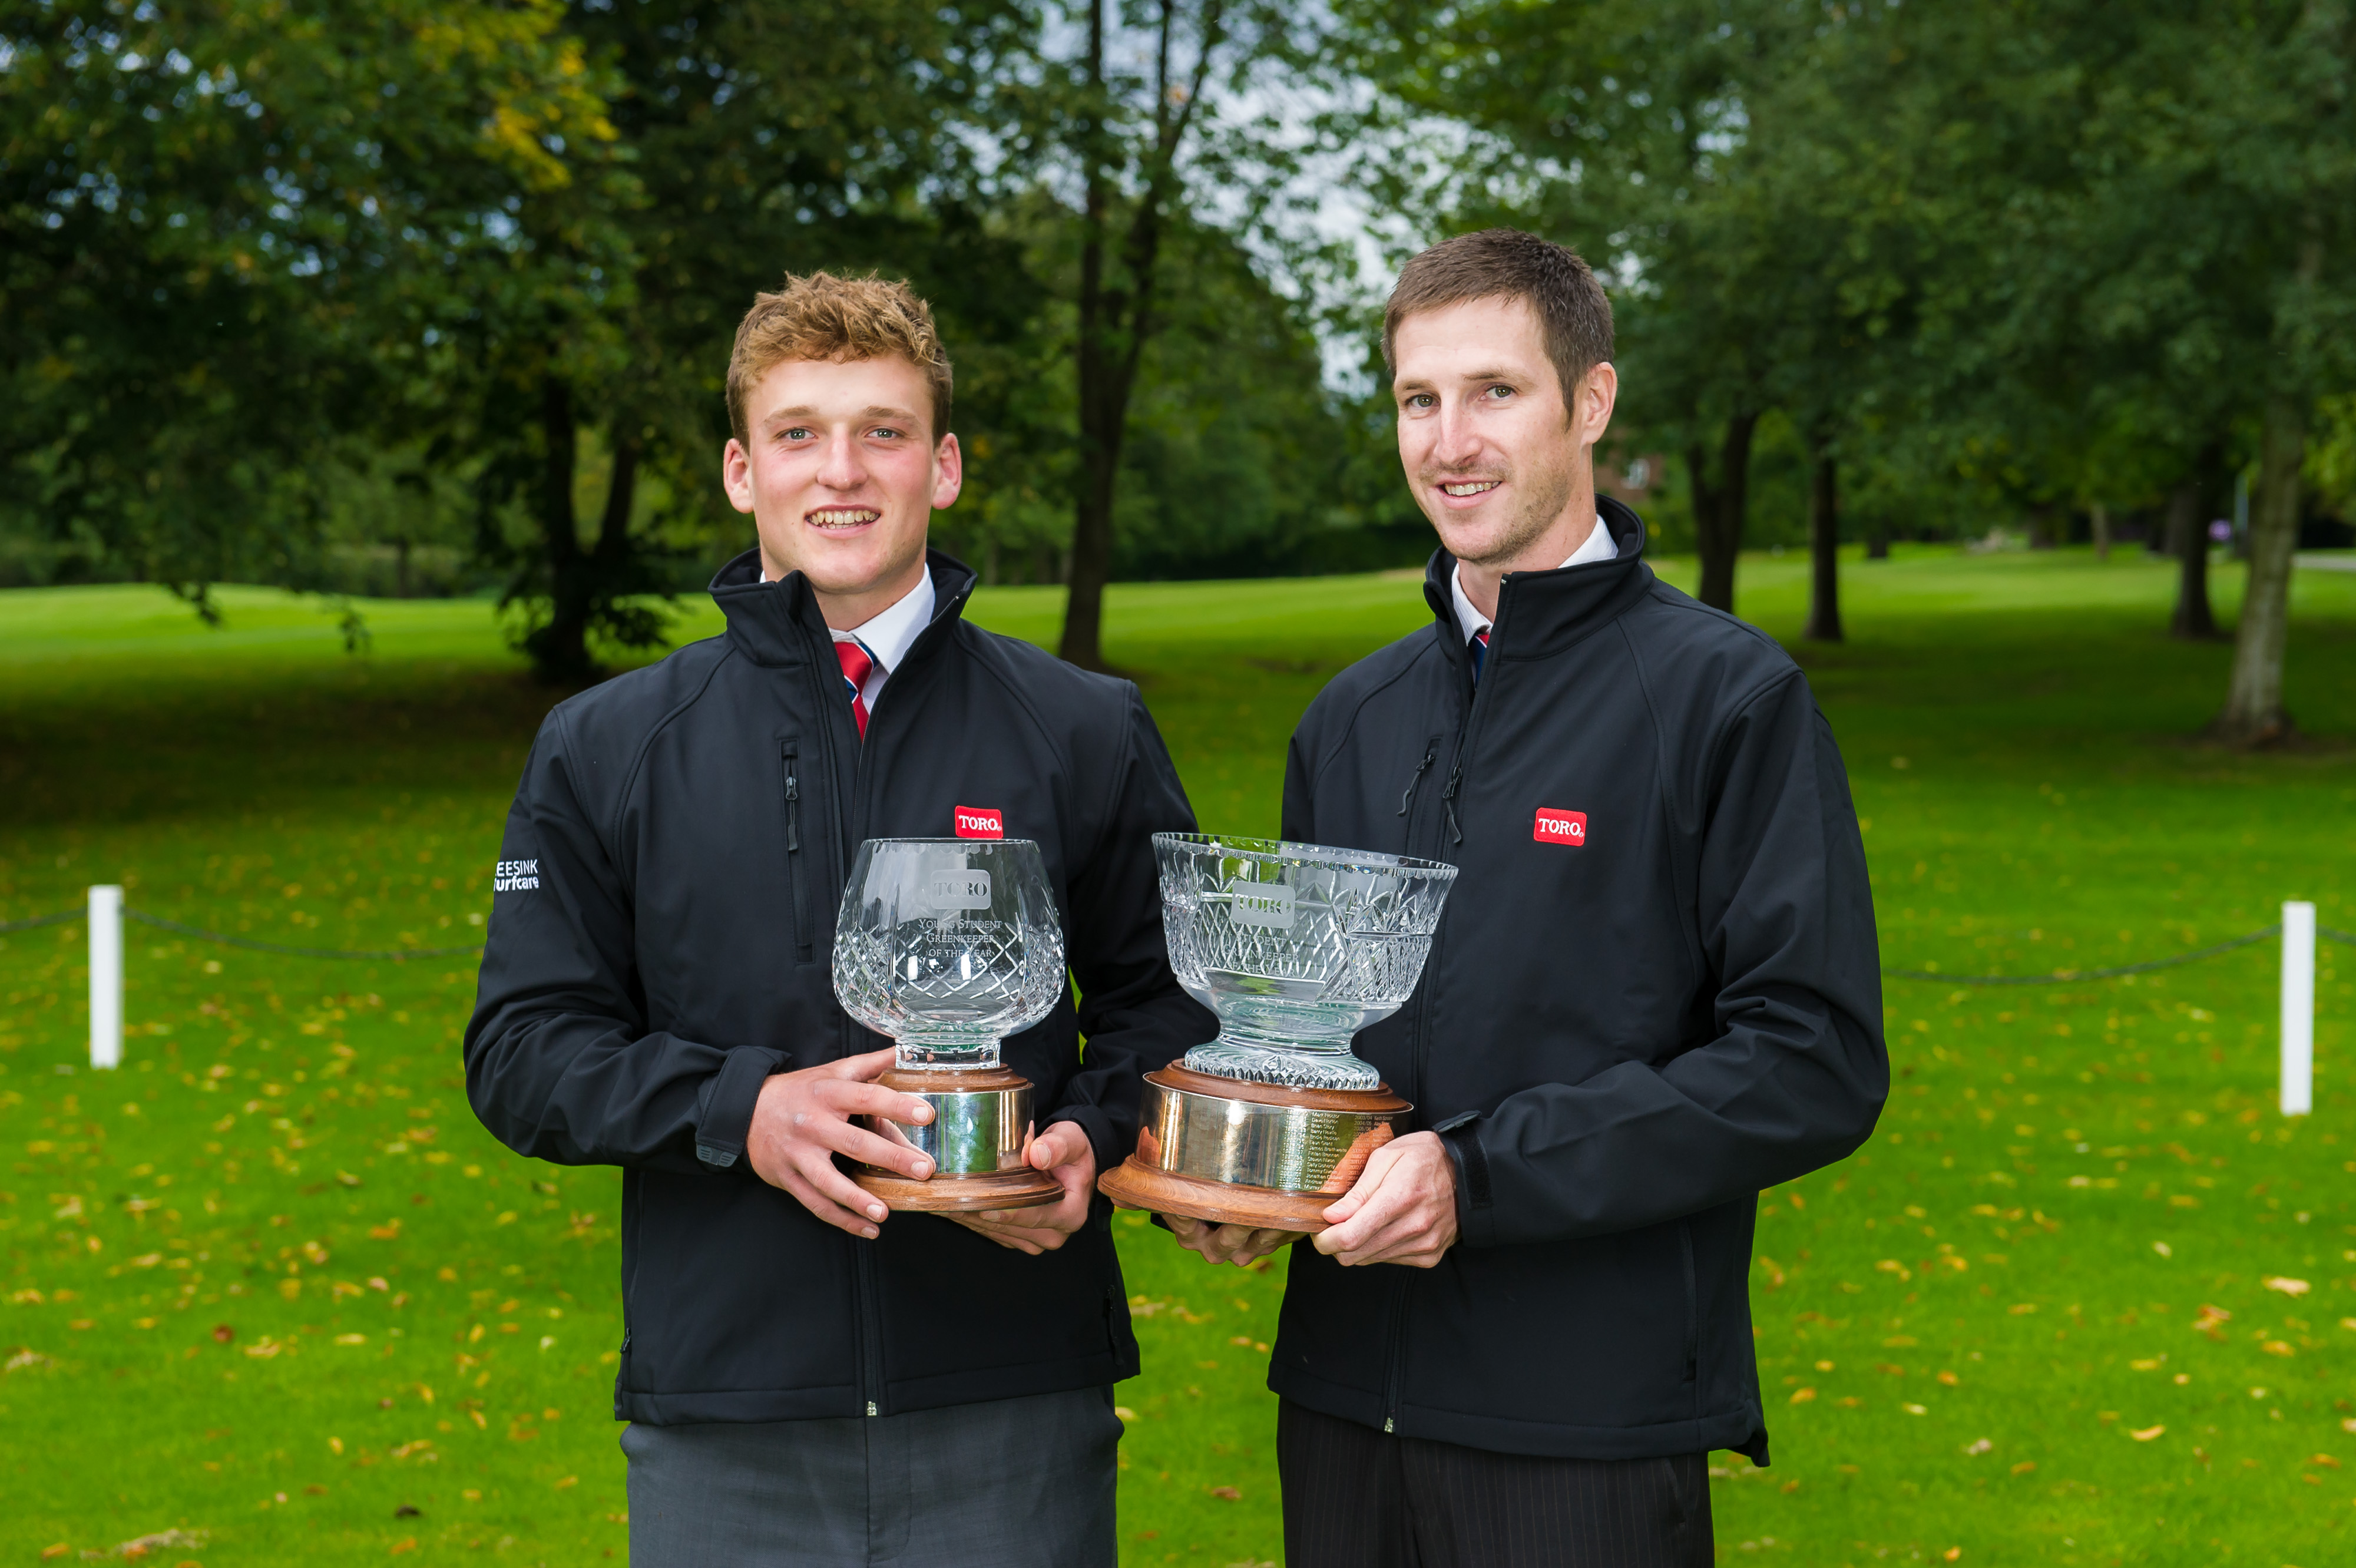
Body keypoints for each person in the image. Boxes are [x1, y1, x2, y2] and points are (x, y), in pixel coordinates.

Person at [1164, 229, 1888, 1566]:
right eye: (1416, 399)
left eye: (1494, 391)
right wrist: (1246, 1169)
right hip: (1340, 1403)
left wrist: (1479, 1175)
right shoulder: (1350, 718)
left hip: (1583, 1426)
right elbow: (1320, 1039)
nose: (1450, 441)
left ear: (1589, 401)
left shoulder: (1724, 700)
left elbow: (1812, 1059)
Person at [465, 271, 1210, 1567]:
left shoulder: (1085, 725)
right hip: (728, 1413)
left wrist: (1093, 1136)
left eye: (883, 429)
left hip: (1012, 1397)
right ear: (741, 470)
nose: (842, 471)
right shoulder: (606, 745)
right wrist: (740, 1109)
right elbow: (522, 1050)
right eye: (800, 432)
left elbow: (1170, 1005)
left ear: (947, 465)